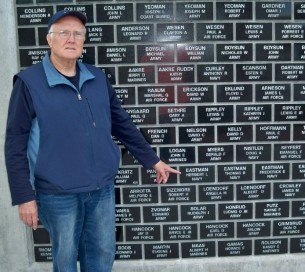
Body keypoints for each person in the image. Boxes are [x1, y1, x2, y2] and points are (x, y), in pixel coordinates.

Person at [4, 10, 181, 272]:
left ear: (84, 41)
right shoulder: (29, 82)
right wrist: (24, 196)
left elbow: (121, 122)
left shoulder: (97, 78)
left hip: (101, 189)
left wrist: (152, 160)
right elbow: (15, 142)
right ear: (49, 39)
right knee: (64, 259)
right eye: (63, 32)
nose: (71, 39)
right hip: (57, 193)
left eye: (77, 34)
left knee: (102, 253)